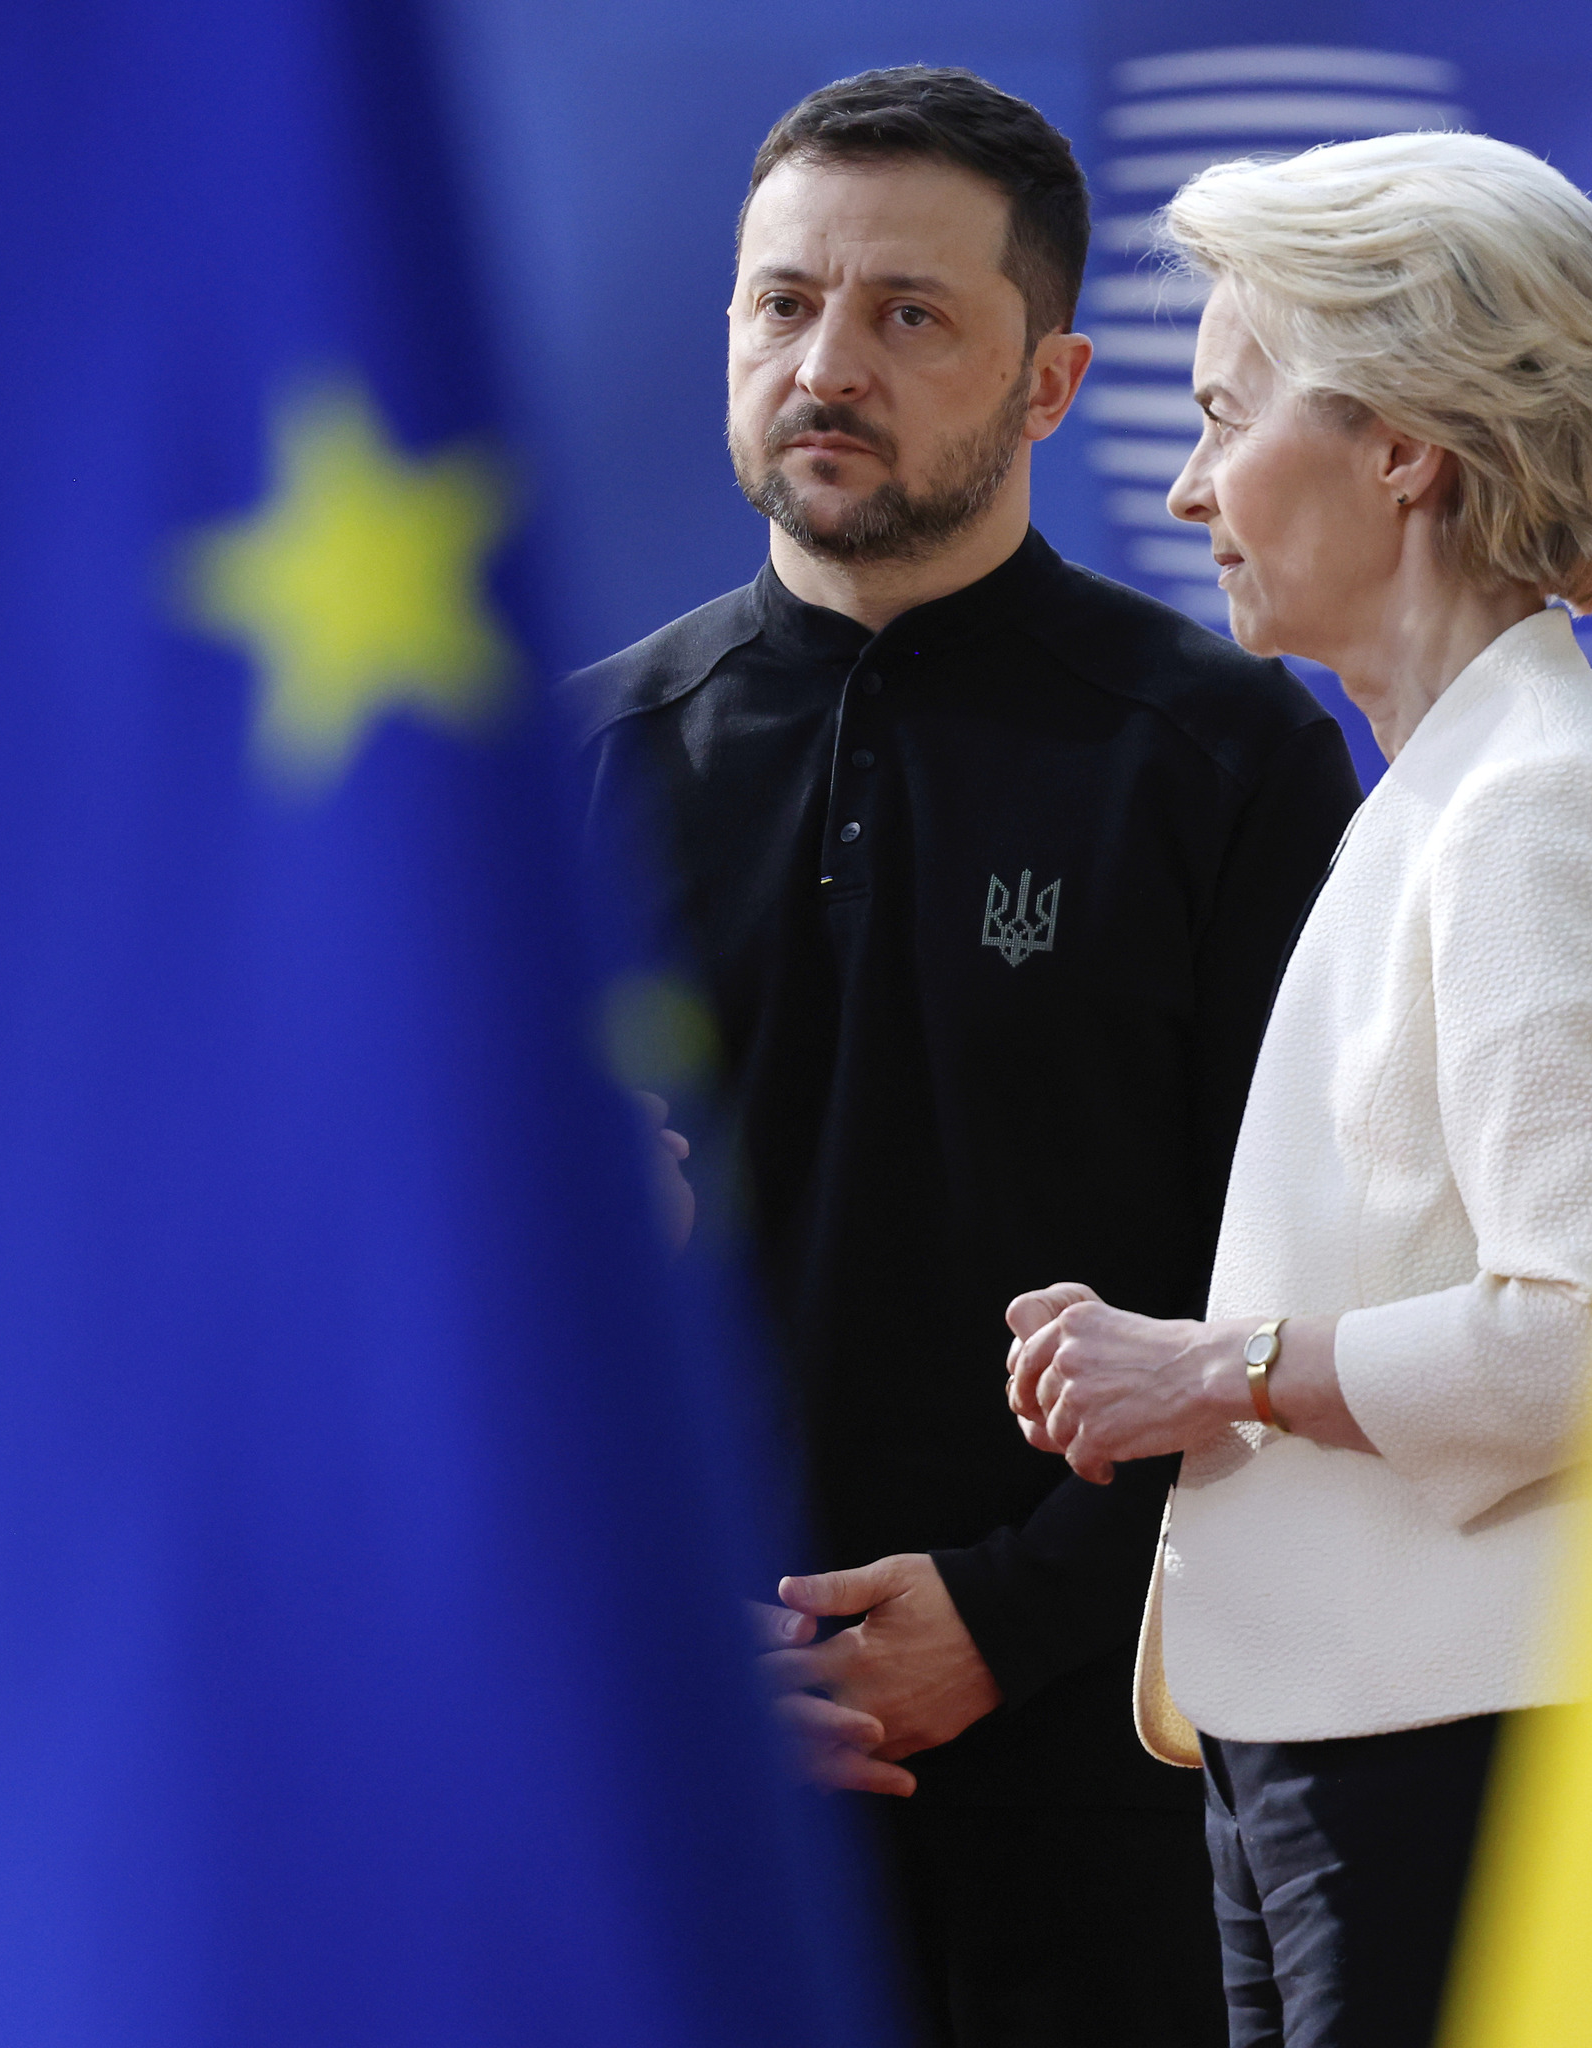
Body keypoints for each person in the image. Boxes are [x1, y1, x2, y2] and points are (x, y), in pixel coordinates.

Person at [572, 67, 1365, 2048]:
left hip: (1104, 1800)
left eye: (909, 314)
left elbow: (1304, 1281)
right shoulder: (571, 771)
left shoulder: (1218, 756)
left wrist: (1011, 1614)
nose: (828, 361)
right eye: (783, 305)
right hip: (671, 1778)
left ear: (1053, 376)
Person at [1002, 132, 1592, 2047]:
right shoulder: (1455, 791)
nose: (1183, 483)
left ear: (1404, 444)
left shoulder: (1537, 805)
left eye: (1228, 411)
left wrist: (1218, 1371)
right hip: (1350, 1753)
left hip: (1455, 1763)